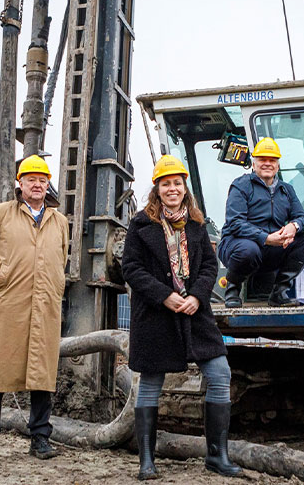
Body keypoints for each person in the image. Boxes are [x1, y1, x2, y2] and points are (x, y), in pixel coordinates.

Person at [122, 155, 242, 480]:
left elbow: (209, 267)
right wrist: (164, 295)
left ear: (184, 187)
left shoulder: (197, 224)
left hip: (194, 312)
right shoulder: (140, 224)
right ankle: (147, 462)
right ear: (157, 189)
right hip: (156, 315)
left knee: (220, 373)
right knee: (150, 384)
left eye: (177, 183)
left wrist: (196, 296)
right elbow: (130, 267)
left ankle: (217, 456)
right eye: (166, 184)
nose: (172, 188)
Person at [0, 155, 69, 460]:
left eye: (42, 180)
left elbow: (61, 260)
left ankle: (40, 438)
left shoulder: (59, 221)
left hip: (45, 304)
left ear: (47, 183)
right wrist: (4, 281)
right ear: (20, 183)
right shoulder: (1, 214)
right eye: (31, 180)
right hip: (8, 304)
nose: (37, 185)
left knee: (42, 372)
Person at [218, 137, 304, 307]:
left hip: (271, 249)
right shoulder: (241, 186)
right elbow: (235, 222)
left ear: (277, 165)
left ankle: (279, 292)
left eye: (272, 160)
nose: (267, 164)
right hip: (238, 246)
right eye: (262, 159)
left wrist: (294, 226)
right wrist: (265, 237)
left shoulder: (286, 190)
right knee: (248, 249)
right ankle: (233, 290)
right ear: (253, 163)